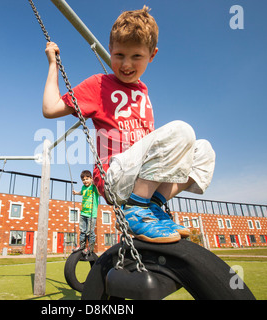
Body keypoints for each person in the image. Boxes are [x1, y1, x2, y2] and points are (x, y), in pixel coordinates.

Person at [42, 6, 216, 244]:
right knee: (183, 130)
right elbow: (50, 109)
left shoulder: (143, 91)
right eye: (120, 55)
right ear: (110, 49)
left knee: (203, 150)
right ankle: (135, 210)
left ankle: (152, 207)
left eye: (136, 56)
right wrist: (53, 63)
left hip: (143, 178)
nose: (126, 64)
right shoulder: (99, 84)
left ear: (151, 55)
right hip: (116, 174)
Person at [72, 170, 99, 253]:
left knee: (90, 231)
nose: (85, 181)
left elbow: (100, 193)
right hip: (83, 213)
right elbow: (82, 192)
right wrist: (76, 193)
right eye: (83, 180)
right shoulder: (83, 187)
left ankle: (90, 247)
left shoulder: (94, 187)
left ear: (91, 179)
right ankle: (82, 245)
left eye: (87, 179)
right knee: (82, 231)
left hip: (91, 214)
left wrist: (96, 184)